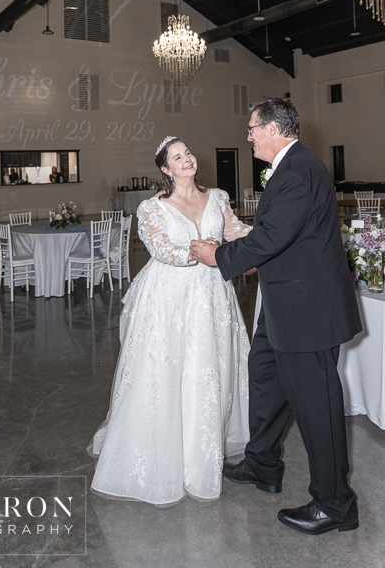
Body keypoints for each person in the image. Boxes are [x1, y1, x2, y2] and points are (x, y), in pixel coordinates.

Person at [190, 98, 362, 535]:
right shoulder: (291, 168)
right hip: (286, 301)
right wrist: (252, 260)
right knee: (265, 375)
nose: (248, 137)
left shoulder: (297, 172)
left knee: (317, 406)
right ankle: (262, 463)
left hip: (307, 310)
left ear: (273, 129)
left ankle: (335, 504)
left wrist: (219, 256)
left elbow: (270, 237)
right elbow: (284, 236)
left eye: (252, 129)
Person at [89, 136, 252, 507]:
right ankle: (165, 451)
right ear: (166, 168)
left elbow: (234, 231)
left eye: (188, 152)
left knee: (207, 368)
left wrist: (266, 239)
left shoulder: (218, 197)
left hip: (212, 295)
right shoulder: (152, 207)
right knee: (168, 370)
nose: (187, 159)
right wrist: (203, 253)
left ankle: (201, 446)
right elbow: (159, 247)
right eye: (177, 157)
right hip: (169, 299)